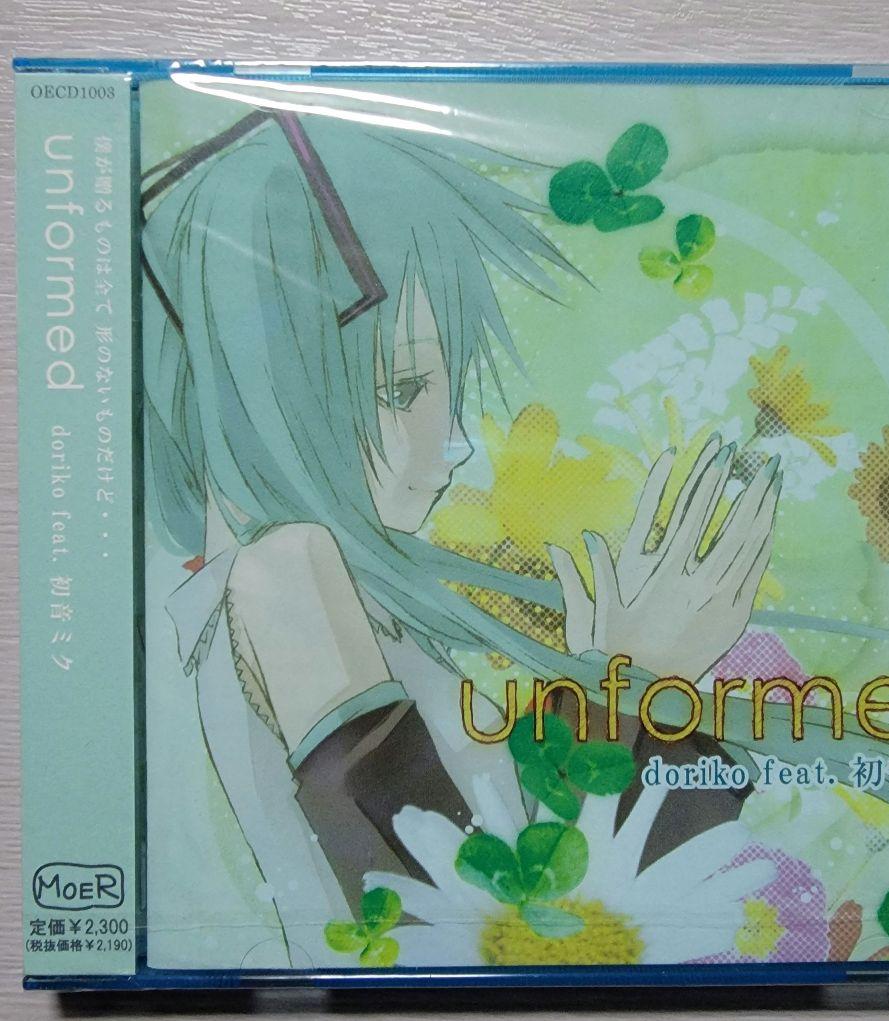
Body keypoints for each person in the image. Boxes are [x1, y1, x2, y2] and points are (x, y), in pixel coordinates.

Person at [142, 106, 780, 967]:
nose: (449, 440)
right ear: (266, 389)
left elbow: (532, 887)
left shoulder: (326, 592)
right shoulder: (283, 573)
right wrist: (634, 680)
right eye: (401, 387)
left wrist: (613, 685)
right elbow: (452, 921)